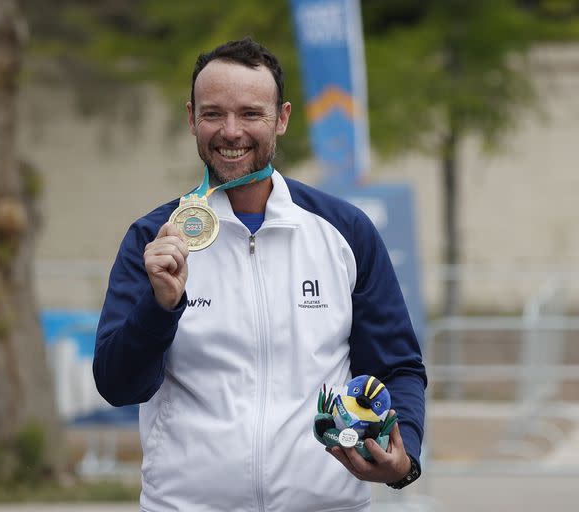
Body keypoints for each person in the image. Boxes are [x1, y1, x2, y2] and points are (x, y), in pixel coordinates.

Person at [93, 37, 426, 512]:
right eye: (213, 114)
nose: (231, 131)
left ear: (282, 119)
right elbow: (118, 386)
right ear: (191, 119)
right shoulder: (154, 240)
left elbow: (397, 368)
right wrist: (159, 307)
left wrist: (404, 455)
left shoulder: (345, 232)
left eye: (251, 114)